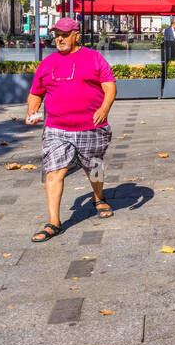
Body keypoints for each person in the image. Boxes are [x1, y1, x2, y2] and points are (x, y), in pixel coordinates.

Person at [25, 18, 117, 242]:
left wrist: (104, 109)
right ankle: (54, 222)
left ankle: (98, 197)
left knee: (94, 166)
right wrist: (32, 110)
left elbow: (109, 86)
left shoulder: (94, 57)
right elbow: (36, 92)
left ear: (77, 35)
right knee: (55, 171)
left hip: (92, 126)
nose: (59, 38)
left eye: (64, 34)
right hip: (57, 127)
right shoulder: (47, 63)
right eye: (56, 34)